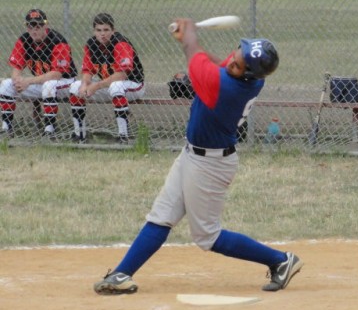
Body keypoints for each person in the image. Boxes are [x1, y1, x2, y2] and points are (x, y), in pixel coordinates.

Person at [94, 19, 302, 295]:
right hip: (193, 154)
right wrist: (192, 39)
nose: (232, 62)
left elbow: (195, 56)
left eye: (238, 65)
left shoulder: (225, 88)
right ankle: (121, 274)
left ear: (249, 75)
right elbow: (218, 62)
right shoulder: (245, 76)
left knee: (207, 236)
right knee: (162, 215)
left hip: (211, 164)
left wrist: (189, 36)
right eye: (236, 55)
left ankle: (281, 261)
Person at [68, 13, 146, 143]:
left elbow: (122, 75)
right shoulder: (91, 44)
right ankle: (79, 135)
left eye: (106, 30)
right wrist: (85, 84)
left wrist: (96, 86)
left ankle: (123, 137)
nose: (102, 34)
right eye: (98, 30)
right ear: (94, 31)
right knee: (75, 87)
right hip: (108, 86)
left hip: (133, 85)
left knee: (116, 86)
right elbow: (87, 70)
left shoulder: (121, 43)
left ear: (113, 30)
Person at [0, 8, 77, 139]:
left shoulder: (58, 41)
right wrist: (17, 81)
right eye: (30, 26)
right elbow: (16, 69)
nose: (34, 29)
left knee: (50, 85)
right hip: (40, 82)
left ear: (46, 26)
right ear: (27, 27)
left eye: (38, 25)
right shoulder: (24, 40)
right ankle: (6, 129)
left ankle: (49, 131)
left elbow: (56, 75)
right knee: (7, 84)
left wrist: (28, 81)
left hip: (65, 83)